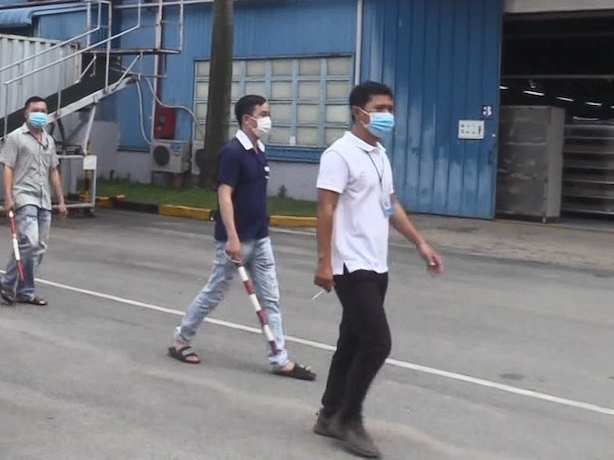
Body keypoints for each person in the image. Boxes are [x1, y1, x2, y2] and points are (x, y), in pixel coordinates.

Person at [311, 81, 444, 459]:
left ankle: (328, 413)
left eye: (390, 108)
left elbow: (390, 206)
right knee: (377, 342)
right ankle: (349, 419)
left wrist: (420, 243)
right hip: (349, 264)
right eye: (380, 107)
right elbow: (325, 209)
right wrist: (324, 261)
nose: (388, 115)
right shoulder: (340, 154)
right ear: (359, 111)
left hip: (376, 262)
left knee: (351, 341)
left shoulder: (379, 153)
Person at [168, 94, 317, 381]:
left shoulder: (259, 149)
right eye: (263, 113)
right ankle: (181, 340)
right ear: (248, 119)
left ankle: (279, 358)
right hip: (236, 241)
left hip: (260, 238)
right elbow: (224, 195)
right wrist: (233, 238)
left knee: (270, 299)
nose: (267, 119)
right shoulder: (233, 152)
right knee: (214, 292)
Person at [0, 96, 67, 306]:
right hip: (24, 195)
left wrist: (61, 200)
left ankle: (26, 291)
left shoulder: (48, 140)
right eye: (35, 109)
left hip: (43, 198)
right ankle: (8, 281)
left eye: (43, 110)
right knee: (29, 240)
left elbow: (53, 170)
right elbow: (8, 166)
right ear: (26, 113)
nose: (40, 113)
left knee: (39, 247)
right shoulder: (16, 137)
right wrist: (8, 197)